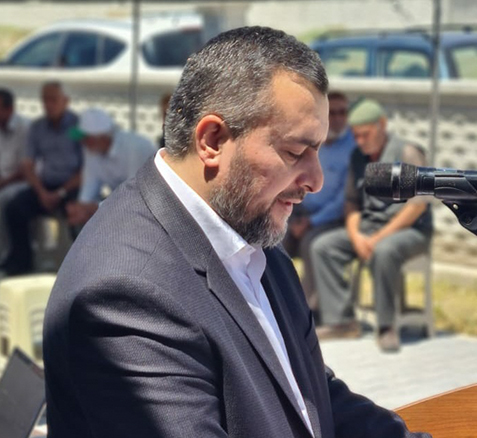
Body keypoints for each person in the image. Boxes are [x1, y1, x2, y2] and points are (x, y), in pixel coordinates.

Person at [43, 27, 431, 438]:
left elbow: (308, 395)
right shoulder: (125, 295)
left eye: (317, 150)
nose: (316, 180)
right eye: (295, 152)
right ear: (212, 140)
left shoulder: (249, 232)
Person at [312, 99, 432, 353]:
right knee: (323, 246)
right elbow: (351, 203)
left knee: (384, 250)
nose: (360, 141)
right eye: (356, 136)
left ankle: (386, 326)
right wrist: (356, 236)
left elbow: (417, 206)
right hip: (369, 227)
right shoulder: (358, 157)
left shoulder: (408, 153)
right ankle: (341, 322)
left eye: (365, 135)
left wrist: (377, 239)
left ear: (382, 125)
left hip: (410, 230)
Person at [283, 90, 356, 313]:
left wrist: (312, 222)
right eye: (332, 113)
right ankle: (279, 303)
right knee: (275, 239)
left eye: (343, 112)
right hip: (300, 211)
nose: (338, 118)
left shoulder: (354, 148)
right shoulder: (309, 141)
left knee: (312, 244)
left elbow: (344, 199)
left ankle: (308, 310)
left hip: (331, 219)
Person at [0, 81, 82, 276]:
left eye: (53, 100)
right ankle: (22, 262)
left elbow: (87, 166)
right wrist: (41, 192)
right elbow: (28, 164)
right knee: (15, 208)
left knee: (78, 214)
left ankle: (79, 268)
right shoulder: (38, 128)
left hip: (72, 186)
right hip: (45, 186)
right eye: (45, 100)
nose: (48, 105)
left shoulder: (77, 127)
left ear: (65, 101)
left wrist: (61, 192)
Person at [65, 107, 155, 227]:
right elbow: (90, 183)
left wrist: (95, 208)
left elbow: (134, 196)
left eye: (85, 139)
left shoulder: (135, 148)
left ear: (100, 137)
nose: (82, 143)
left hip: (151, 208)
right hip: (120, 205)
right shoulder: (92, 150)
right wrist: (81, 208)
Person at [0, 88, 30, 261]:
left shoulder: (25, 128)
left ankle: (5, 255)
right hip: (4, 180)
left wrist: (4, 182)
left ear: (9, 109)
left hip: (22, 181)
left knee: (3, 199)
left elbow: (27, 168)